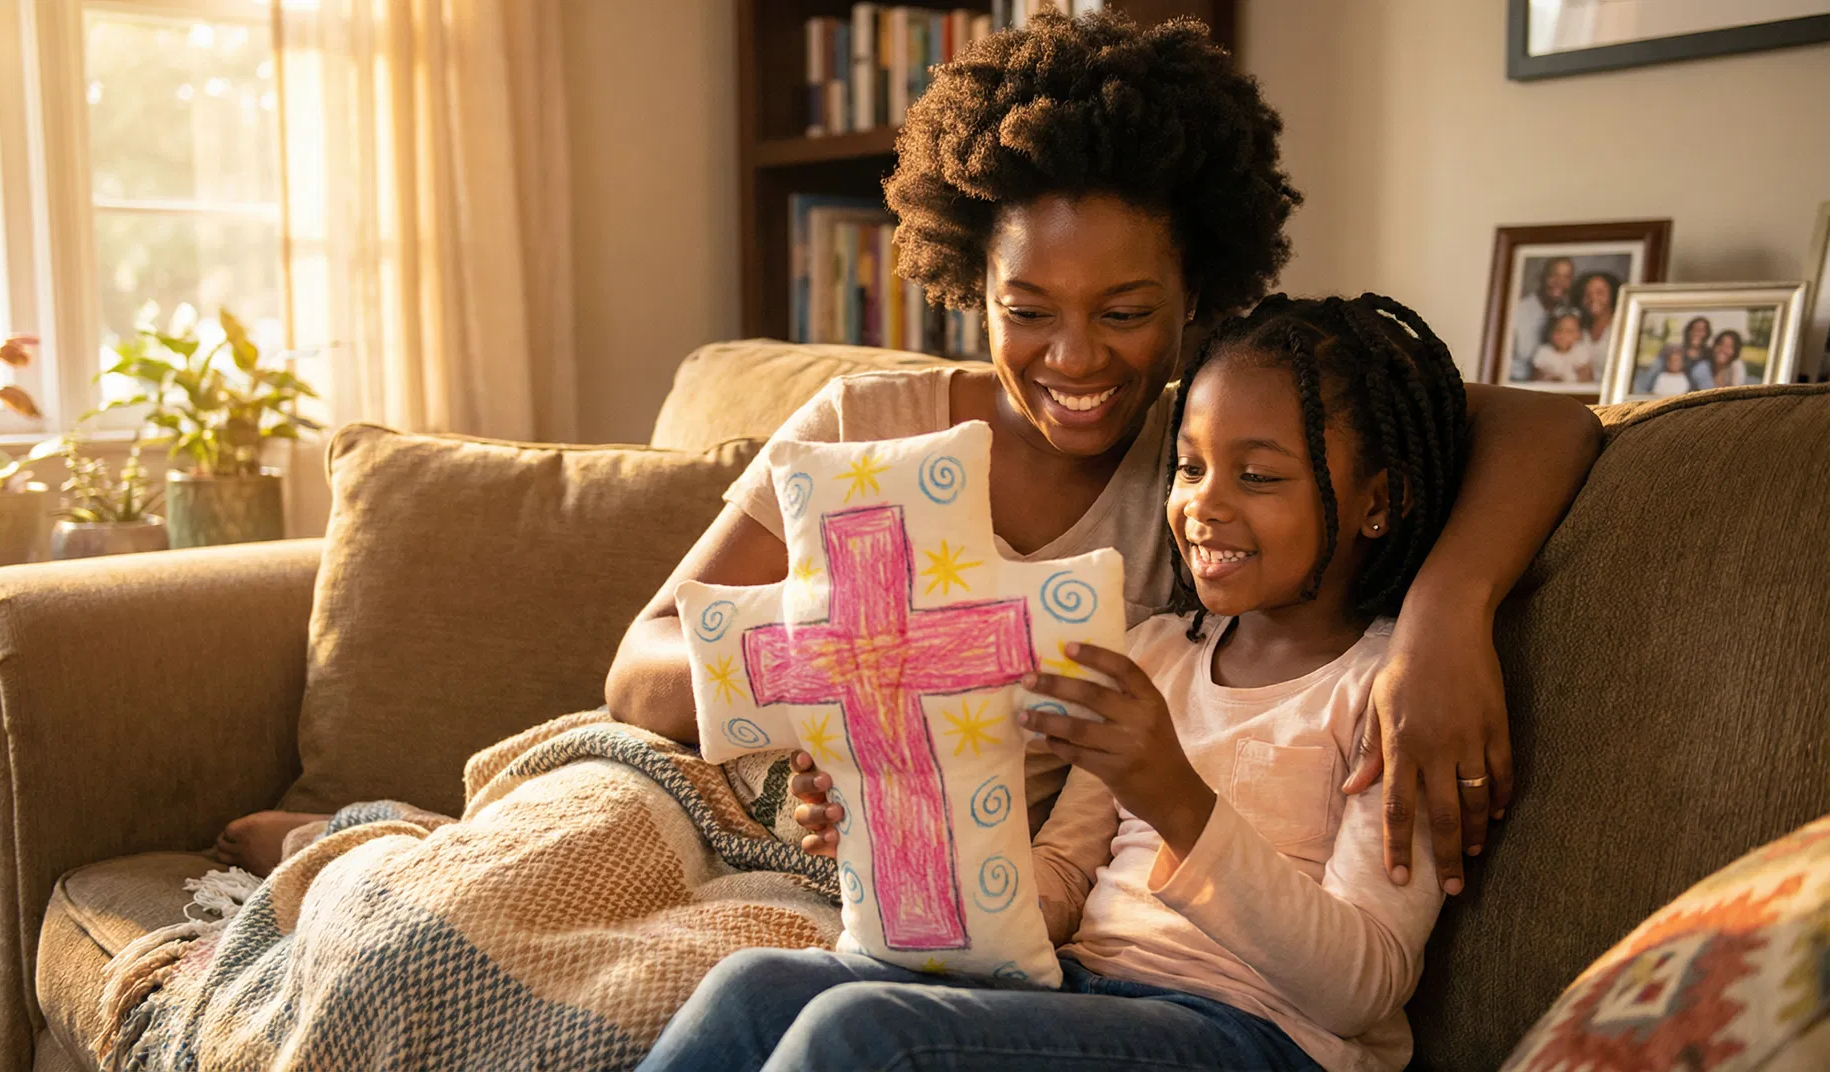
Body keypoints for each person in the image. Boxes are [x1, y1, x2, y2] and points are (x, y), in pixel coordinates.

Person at [220, 10, 1601, 922]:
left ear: (1200, 293)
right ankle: (372, 853)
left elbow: (1547, 418)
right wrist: (840, 680)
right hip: (751, 795)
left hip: (927, 880)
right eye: (1027, 314)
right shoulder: (865, 427)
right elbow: (639, 671)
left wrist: (1443, 619)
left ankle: (370, 853)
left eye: (1127, 313)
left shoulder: (1208, 468)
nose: (1076, 360)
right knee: (496, 892)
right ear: (967, 287)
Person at [639, 293, 1467, 1072]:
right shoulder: (1154, 653)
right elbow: (1064, 881)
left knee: (863, 1037)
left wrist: (1176, 798)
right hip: (1084, 993)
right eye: (1188, 468)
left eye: (1258, 476)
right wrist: (893, 826)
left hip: (1255, 1037)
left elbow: (1363, 989)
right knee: (756, 989)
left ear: (1378, 501)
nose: (1204, 505)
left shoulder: (1394, 696)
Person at [1510, 256, 1574, 381]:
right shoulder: (1518, 311)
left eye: (1566, 277)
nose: (1559, 282)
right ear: (1542, 277)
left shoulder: (1569, 314)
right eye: (1554, 275)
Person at [1630, 316, 1716, 397]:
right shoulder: (1677, 349)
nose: (1697, 332)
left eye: (1702, 330)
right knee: (1655, 363)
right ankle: (1635, 394)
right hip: (1665, 385)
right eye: (1694, 329)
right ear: (1688, 332)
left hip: (1689, 392)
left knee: (1702, 368)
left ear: (1707, 334)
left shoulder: (1708, 355)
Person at [1571, 271, 1620, 381]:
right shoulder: (1576, 328)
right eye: (1587, 294)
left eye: (1600, 292)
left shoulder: (1623, 327)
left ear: (1612, 295)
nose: (1593, 298)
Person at [1530, 307, 1595, 384]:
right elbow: (1535, 377)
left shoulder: (1579, 350)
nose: (1563, 336)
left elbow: (1587, 376)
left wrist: (1582, 374)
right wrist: (1548, 377)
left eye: (1569, 331)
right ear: (1550, 333)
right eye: (1558, 330)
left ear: (1578, 335)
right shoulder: (1544, 352)